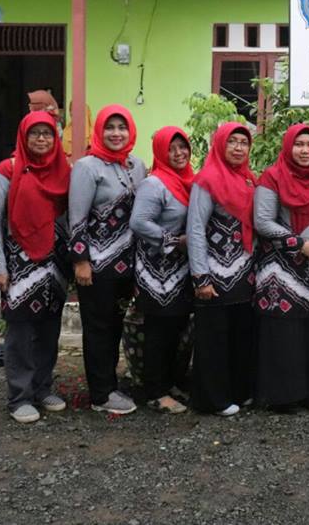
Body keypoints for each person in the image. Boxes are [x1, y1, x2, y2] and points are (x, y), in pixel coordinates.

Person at [0, 112, 71, 424]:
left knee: (49, 329)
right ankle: (19, 396)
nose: (41, 139)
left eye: (47, 133)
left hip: (55, 265)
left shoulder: (63, 171)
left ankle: (42, 388)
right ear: (24, 136)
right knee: (20, 331)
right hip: (19, 263)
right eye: (35, 133)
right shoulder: (7, 170)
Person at [254, 123, 309, 412]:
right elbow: (263, 222)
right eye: (299, 144)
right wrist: (299, 244)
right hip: (280, 270)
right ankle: (283, 396)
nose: (305, 151)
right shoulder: (272, 176)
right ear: (288, 146)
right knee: (284, 333)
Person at [69, 105, 145, 415]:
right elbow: (76, 217)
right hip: (96, 266)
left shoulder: (136, 165)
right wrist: (80, 261)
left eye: (122, 127)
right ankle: (100, 395)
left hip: (126, 266)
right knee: (98, 328)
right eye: (109, 127)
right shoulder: (87, 167)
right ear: (99, 131)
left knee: (115, 326)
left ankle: (109, 382)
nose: (116, 133)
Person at [187, 122, 258, 416]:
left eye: (243, 142)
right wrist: (200, 277)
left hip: (244, 273)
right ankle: (212, 400)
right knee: (213, 338)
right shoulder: (206, 180)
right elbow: (195, 229)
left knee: (241, 335)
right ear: (219, 144)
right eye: (232, 141)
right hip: (214, 273)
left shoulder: (249, 180)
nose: (238, 148)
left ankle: (239, 392)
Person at [130, 126, 195, 415]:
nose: (179, 153)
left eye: (183, 147)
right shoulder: (154, 184)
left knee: (176, 327)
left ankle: (170, 383)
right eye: (171, 148)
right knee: (159, 328)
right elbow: (139, 222)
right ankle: (155, 391)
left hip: (179, 269)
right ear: (160, 152)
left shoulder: (188, 180)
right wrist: (173, 240)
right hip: (156, 270)